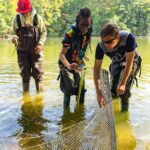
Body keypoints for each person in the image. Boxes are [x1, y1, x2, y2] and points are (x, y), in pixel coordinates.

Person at [94, 23, 142, 111]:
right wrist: (99, 93)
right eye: (103, 42)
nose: (106, 45)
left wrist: (123, 83)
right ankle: (114, 106)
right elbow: (96, 70)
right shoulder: (101, 46)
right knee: (114, 89)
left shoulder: (129, 38)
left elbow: (129, 63)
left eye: (109, 42)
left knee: (124, 91)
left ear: (117, 37)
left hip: (131, 61)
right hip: (116, 62)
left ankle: (124, 113)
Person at [59, 7, 93, 107]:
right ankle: (66, 114)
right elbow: (61, 55)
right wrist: (69, 66)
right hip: (67, 62)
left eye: (87, 25)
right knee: (68, 90)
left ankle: (80, 113)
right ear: (78, 22)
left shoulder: (88, 30)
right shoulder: (70, 34)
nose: (85, 29)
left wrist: (84, 55)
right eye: (82, 25)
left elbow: (83, 45)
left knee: (81, 89)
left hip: (79, 61)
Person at [11, 0, 47, 94]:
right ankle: (25, 94)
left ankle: (39, 96)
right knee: (25, 74)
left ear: (30, 8)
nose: (24, 13)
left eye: (25, 11)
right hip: (22, 51)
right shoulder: (17, 19)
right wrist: (14, 38)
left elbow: (44, 32)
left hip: (36, 50)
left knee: (38, 73)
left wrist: (40, 44)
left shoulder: (37, 18)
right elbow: (12, 32)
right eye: (22, 12)